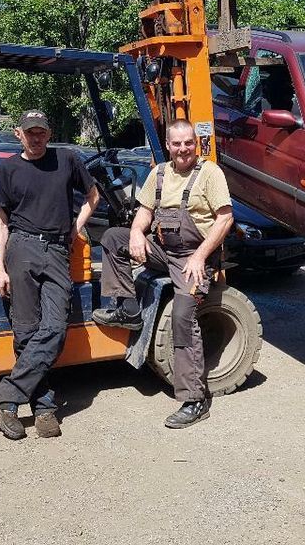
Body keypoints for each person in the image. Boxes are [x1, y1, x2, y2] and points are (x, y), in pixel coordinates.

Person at [91, 119, 234, 429]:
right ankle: (128, 310)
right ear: (168, 146)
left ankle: (194, 399)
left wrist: (200, 256)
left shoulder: (210, 173)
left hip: (194, 259)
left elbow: (225, 219)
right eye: (176, 143)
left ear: (195, 144)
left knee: (183, 317)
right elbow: (144, 210)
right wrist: (137, 234)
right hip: (163, 250)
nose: (183, 149)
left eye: (188, 143)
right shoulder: (158, 173)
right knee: (114, 237)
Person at [0, 110, 99, 440]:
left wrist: (76, 227)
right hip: (21, 248)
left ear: (49, 134)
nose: (36, 138)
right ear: (19, 133)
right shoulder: (8, 168)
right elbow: (1, 221)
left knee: (56, 327)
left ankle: (5, 397)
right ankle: (43, 406)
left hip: (58, 250)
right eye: (30, 132)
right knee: (25, 330)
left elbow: (93, 197)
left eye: (42, 132)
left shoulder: (67, 159)